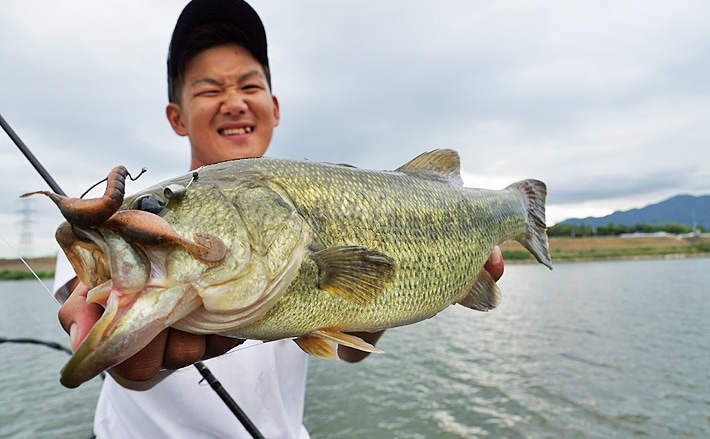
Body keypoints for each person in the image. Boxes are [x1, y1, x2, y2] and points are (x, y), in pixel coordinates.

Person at [54, 1, 505, 437]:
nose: (233, 102)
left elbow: (351, 353)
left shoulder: (314, 205)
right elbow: (119, 360)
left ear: (274, 107)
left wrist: (394, 275)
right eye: (209, 90)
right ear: (177, 117)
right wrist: (125, 360)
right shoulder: (107, 228)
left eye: (249, 86)